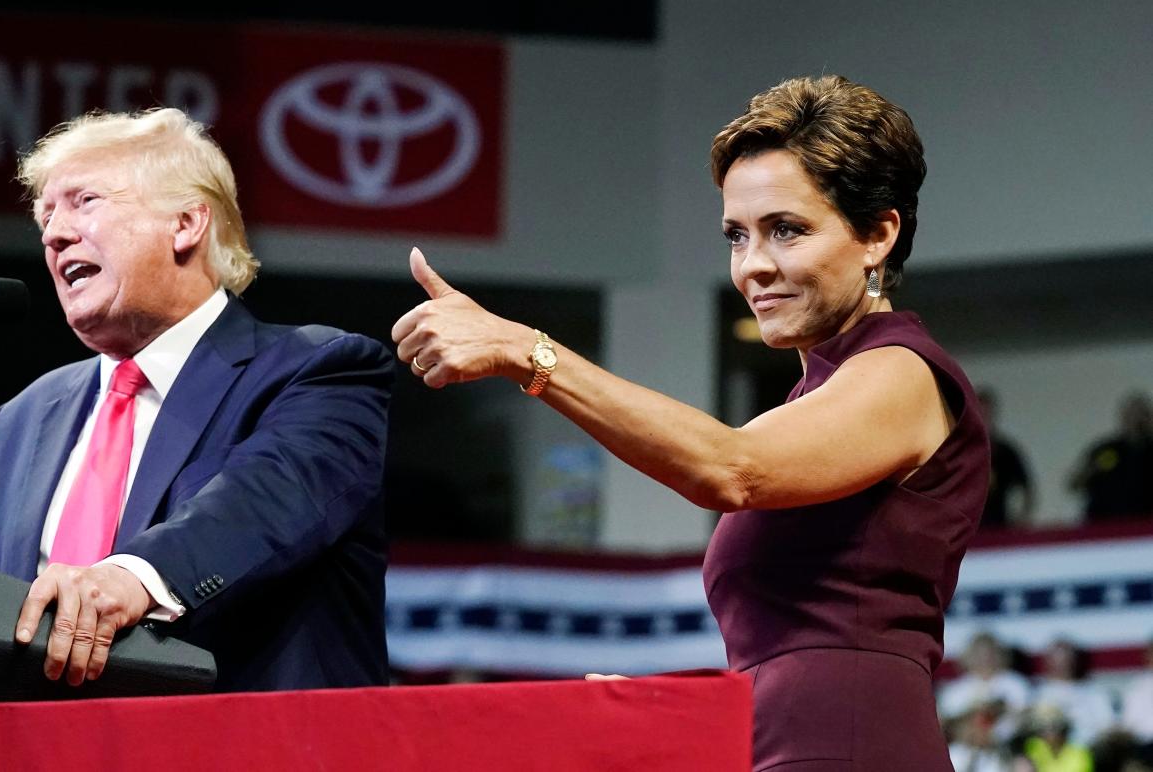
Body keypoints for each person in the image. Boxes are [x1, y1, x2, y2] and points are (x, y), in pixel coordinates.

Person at [392, 75, 989, 770]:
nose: (754, 266)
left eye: (787, 230)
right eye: (737, 236)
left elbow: (730, 468)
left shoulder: (903, 372)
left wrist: (525, 350)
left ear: (877, 235)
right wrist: (678, 716)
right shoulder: (806, 404)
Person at [0, 108, 393, 692]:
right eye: (46, 214)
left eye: (84, 201)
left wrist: (130, 580)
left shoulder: (320, 370)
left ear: (187, 224)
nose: (53, 233)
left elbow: (258, 505)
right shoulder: (20, 421)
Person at [1070, 393, 1153, 522]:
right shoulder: (1105, 449)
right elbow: (1074, 485)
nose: (1137, 420)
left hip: (1145, 526)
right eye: (1132, 415)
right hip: (1105, 524)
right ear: (1123, 418)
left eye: (1143, 414)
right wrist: (1092, 469)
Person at [1032, 638, 1117, 747]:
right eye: (1057, 659)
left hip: (1093, 750)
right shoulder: (1038, 695)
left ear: (1075, 660)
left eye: (1067, 658)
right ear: (1048, 662)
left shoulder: (1094, 692)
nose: (1063, 664)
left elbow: (1109, 726)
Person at [979, 387, 1036, 528]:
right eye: (979, 413)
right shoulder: (959, 452)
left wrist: (1021, 519)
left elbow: (1026, 488)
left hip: (999, 527)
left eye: (986, 413)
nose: (983, 418)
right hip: (968, 532)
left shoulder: (1006, 451)